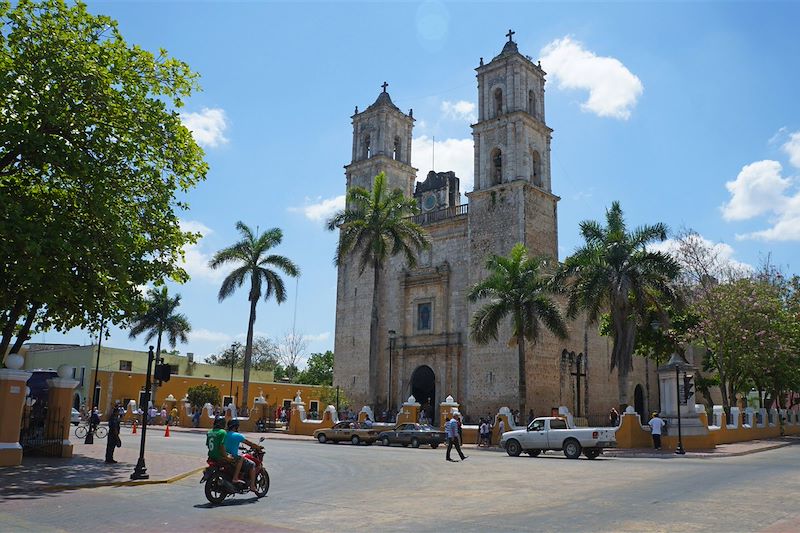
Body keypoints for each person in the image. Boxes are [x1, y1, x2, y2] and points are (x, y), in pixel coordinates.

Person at [225, 419, 263, 494]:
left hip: (225, 456)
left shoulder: (225, 434)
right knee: (252, 464)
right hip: (233, 458)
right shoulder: (237, 436)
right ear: (236, 427)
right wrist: (258, 447)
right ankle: (252, 486)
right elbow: (249, 443)